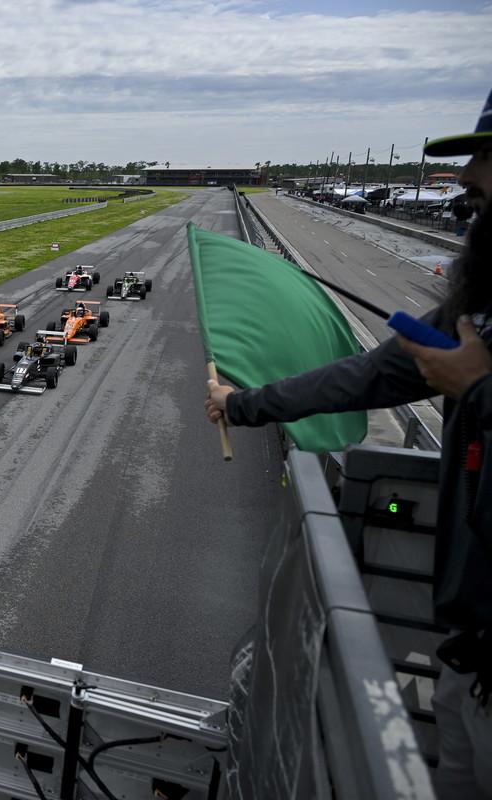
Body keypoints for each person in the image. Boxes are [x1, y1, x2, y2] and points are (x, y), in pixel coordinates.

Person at [205, 88, 492, 799]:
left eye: (483, 165)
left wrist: (478, 391)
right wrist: (240, 404)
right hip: (469, 664)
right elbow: (363, 376)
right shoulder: (481, 310)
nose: (463, 185)